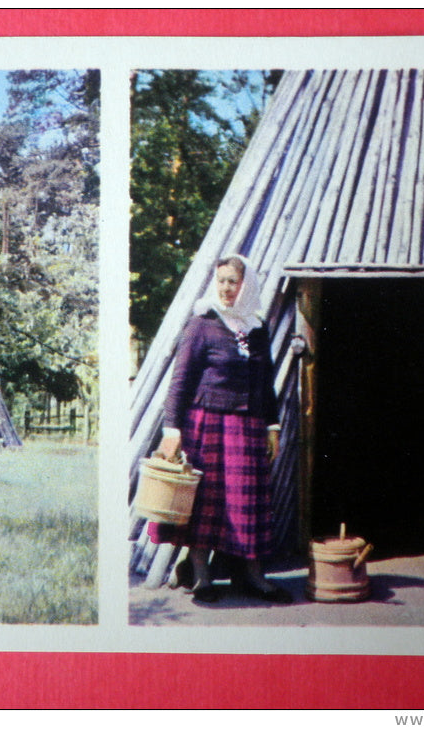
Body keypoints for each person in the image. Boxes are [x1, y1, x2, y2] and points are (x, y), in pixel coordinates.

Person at [149, 254, 290, 604]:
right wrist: (171, 429)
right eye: (222, 280)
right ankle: (201, 577)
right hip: (206, 425)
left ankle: (255, 577)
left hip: (247, 428)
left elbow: (266, 383)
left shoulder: (257, 328)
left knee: (249, 502)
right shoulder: (202, 323)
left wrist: (272, 427)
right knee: (204, 504)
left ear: (246, 286)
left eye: (234, 282)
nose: (227, 288)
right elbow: (180, 382)